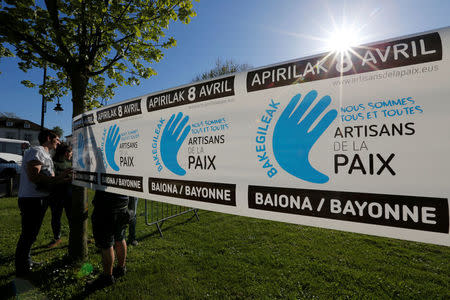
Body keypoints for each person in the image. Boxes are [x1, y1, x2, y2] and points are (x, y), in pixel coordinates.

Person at [15, 130, 71, 277]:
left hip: (39, 198)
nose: (59, 142)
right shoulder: (36, 151)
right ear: (48, 138)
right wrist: (56, 180)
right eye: (57, 139)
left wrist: (62, 178)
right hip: (32, 199)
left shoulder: (46, 154)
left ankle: (26, 262)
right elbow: (34, 176)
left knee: (31, 234)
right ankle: (22, 269)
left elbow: (47, 178)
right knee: (28, 234)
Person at [87, 191, 130, 289]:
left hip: (106, 205)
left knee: (106, 244)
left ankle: (107, 277)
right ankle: (121, 268)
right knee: (120, 238)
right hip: (123, 202)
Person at [47, 143, 73, 248]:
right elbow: (53, 181)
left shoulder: (70, 163)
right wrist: (69, 179)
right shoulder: (54, 163)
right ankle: (57, 238)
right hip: (56, 196)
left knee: (71, 217)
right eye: (71, 152)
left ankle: (75, 236)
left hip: (68, 195)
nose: (72, 154)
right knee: (56, 217)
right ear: (66, 153)